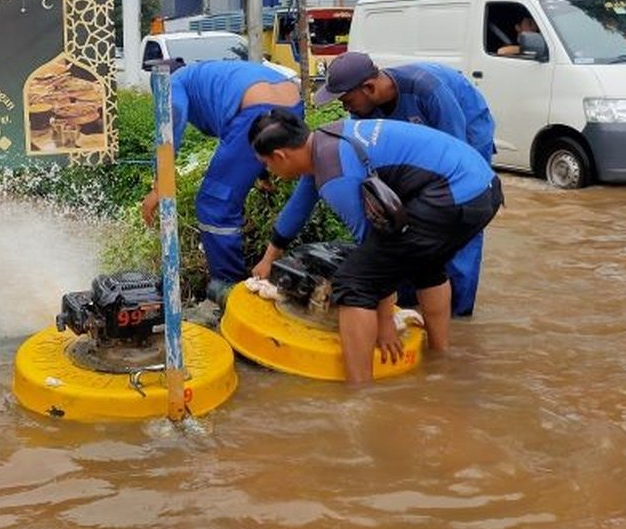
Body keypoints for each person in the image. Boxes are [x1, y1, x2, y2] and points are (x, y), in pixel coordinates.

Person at [249, 111, 502, 383]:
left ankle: (361, 394)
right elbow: (299, 207)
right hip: (483, 188)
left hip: (454, 195)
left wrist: (385, 324)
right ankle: (440, 360)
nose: (270, 173)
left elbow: (375, 246)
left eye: (266, 164)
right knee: (425, 262)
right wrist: (269, 258)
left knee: (355, 282)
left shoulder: (336, 175)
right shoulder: (324, 140)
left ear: (281, 156)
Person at [312, 51, 495, 317]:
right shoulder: (364, 112)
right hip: (421, 145)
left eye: (347, 100)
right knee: (408, 219)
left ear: (370, 88)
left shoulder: (429, 92)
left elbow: (455, 156)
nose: (345, 108)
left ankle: (457, 310)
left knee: (458, 214)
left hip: (466, 130)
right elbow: (366, 164)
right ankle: (408, 299)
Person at [139, 59, 304, 303]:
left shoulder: (175, 82)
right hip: (292, 105)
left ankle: (230, 291)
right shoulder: (207, 74)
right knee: (228, 194)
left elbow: (172, 117)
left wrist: (159, 185)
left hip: (255, 110)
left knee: (214, 203)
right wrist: (262, 172)